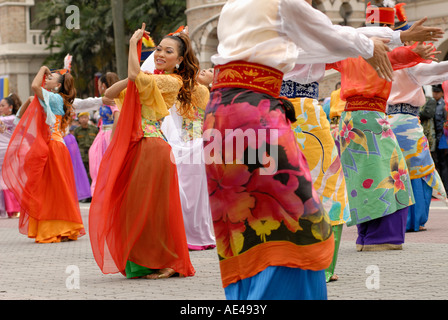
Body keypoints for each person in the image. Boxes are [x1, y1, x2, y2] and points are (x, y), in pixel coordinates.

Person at [202, 0, 437, 300]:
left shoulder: (236, 7)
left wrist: (391, 39)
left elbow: (314, 43)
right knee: (295, 217)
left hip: (222, 116)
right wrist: (376, 43)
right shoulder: (282, 3)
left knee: (243, 218)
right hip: (255, 116)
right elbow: (324, 32)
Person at [326, 1, 438, 252]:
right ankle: (380, 236)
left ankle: (366, 236)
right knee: (388, 175)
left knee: (360, 177)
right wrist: (417, 50)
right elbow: (403, 56)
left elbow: (323, 59)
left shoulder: (346, 55)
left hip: (350, 122)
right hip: (373, 119)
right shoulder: (384, 55)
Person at [89, 23, 196, 279]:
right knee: (134, 207)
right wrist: (131, 74)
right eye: (158, 48)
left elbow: (138, 77)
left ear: (179, 61)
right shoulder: (147, 81)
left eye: (168, 51)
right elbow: (109, 95)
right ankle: (144, 260)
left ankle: (170, 262)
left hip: (152, 146)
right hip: (138, 147)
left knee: (155, 210)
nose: (160, 53)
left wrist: (132, 46)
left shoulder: (172, 81)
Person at [2, 67, 85, 243]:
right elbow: (19, 119)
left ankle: (58, 228)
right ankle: (58, 227)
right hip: (50, 147)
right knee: (49, 189)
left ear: (58, 85)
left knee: (53, 189)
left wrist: (41, 69)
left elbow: (34, 86)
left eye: (51, 77)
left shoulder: (54, 98)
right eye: (47, 76)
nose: (46, 78)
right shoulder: (49, 100)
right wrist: (29, 101)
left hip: (54, 148)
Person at [386, 5, 448, 232]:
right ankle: (414, 219)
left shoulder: (385, 63)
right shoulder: (412, 67)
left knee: (395, 171)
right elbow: (441, 70)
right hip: (407, 123)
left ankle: (397, 219)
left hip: (388, 122)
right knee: (418, 170)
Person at [88, 72, 121, 195]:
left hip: (108, 134)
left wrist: (113, 136)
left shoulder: (112, 99)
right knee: (98, 163)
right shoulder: (109, 98)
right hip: (103, 134)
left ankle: (103, 193)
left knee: (101, 164)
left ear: (102, 85)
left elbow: (118, 114)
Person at [0, 93, 22, 218]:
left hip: (7, 152)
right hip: (3, 152)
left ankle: (12, 208)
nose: (0, 108)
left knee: (6, 179)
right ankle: (8, 208)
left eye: (3, 105)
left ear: (10, 107)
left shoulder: (12, 118)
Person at [63, 122, 92, 202]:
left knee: (74, 168)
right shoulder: (72, 136)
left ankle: (75, 193)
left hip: (65, 140)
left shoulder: (71, 137)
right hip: (64, 139)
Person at [73, 111, 98, 185]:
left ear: (88, 118)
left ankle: (92, 190)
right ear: (79, 120)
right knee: (82, 173)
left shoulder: (94, 129)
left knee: (92, 173)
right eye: (82, 118)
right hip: (81, 155)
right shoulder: (76, 131)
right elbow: (75, 144)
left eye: (85, 117)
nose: (84, 119)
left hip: (92, 154)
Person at [432, 84, 448, 192]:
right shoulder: (433, 104)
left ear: (442, 93)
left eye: (437, 92)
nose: (435, 94)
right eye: (434, 92)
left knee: (444, 164)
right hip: (435, 138)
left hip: (443, 137)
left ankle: (445, 188)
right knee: (437, 163)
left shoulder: (444, 106)